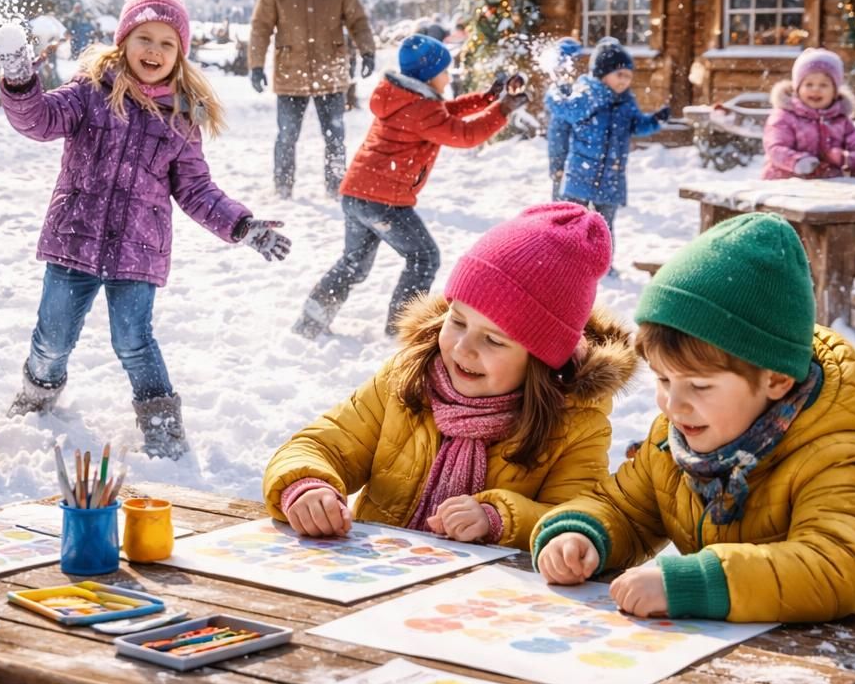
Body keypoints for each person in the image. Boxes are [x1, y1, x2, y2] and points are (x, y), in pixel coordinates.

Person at [532, 214, 855, 684]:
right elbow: (624, 506)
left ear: (775, 380)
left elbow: (833, 566)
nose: (673, 405)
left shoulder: (837, 453)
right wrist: (584, 533)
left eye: (698, 386)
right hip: (801, 671)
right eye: (663, 380)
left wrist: (699, 581)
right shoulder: (677, 439)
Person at [0, 0, 292, 460]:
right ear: (124, 41)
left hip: (138, 250)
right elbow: (39, 121)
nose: (154, 50)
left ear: (180, 53)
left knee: (134, 340)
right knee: (53, 337)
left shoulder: (180, 118)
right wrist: (22, 78)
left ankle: (164, 426)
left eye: (167, 43)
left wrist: (241, 225)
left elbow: (195, 189)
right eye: (144, 38)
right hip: (75, 240)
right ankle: (37, 396)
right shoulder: (89, 92)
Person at [266, 204, 631, 548]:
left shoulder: (575, 425)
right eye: (456, 321)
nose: (462, 348)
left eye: (493, 340)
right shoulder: (408, 379)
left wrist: (500, 519)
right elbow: (321, 444)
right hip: (372, 583)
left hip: (480, 605)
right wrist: (306, 483)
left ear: (541, 359)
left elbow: (578, 524)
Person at [292, 35, 525, 339]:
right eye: (445, 70)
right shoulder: (421, 109)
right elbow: (464, 135)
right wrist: (503, 110)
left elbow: (445, 113)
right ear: (429, 75)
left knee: (353, 263)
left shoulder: (403, 97)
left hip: (357, 194)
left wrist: (488, 99)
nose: (448, 76)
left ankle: (311, 321)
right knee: (424, 257)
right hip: (383, 200)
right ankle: (401, 330)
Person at [249, 0, 377, 198]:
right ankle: (282, 188)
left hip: (330, 72)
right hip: (289, 75)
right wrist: (255, 65)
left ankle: (336, 187)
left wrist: (367, 50)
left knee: (335, 136)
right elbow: (260, 27)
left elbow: (357, 20)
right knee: (286, 136)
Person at [544, 37, 669, 257]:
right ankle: (567, 259)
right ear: (603, 72)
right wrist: (554, 93)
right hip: (581, 173)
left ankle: (603, 265)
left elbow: (635, 125)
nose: (624, 81)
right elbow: (567, 111)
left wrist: (655, 120)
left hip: (611, 176)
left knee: (604, 229)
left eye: (629, 76)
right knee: (572, 223)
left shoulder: (626, 102)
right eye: (619, 74)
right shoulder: (588, 95)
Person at [762, 47, 855, 180]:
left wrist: (845, 159)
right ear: (797, 88)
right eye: (809, 84)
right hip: (785, 185)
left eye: (824, 85)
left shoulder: (841, 120)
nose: (816, 89)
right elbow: (775, 148)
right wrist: (797, 161)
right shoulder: (784, 117)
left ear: (835, 91)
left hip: (829, 187)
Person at [545, 37, 585, 200]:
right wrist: (557, 165)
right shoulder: (562, 91)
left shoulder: (567, 90)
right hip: (575, 162)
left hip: (578, 162)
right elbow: (557, 134)